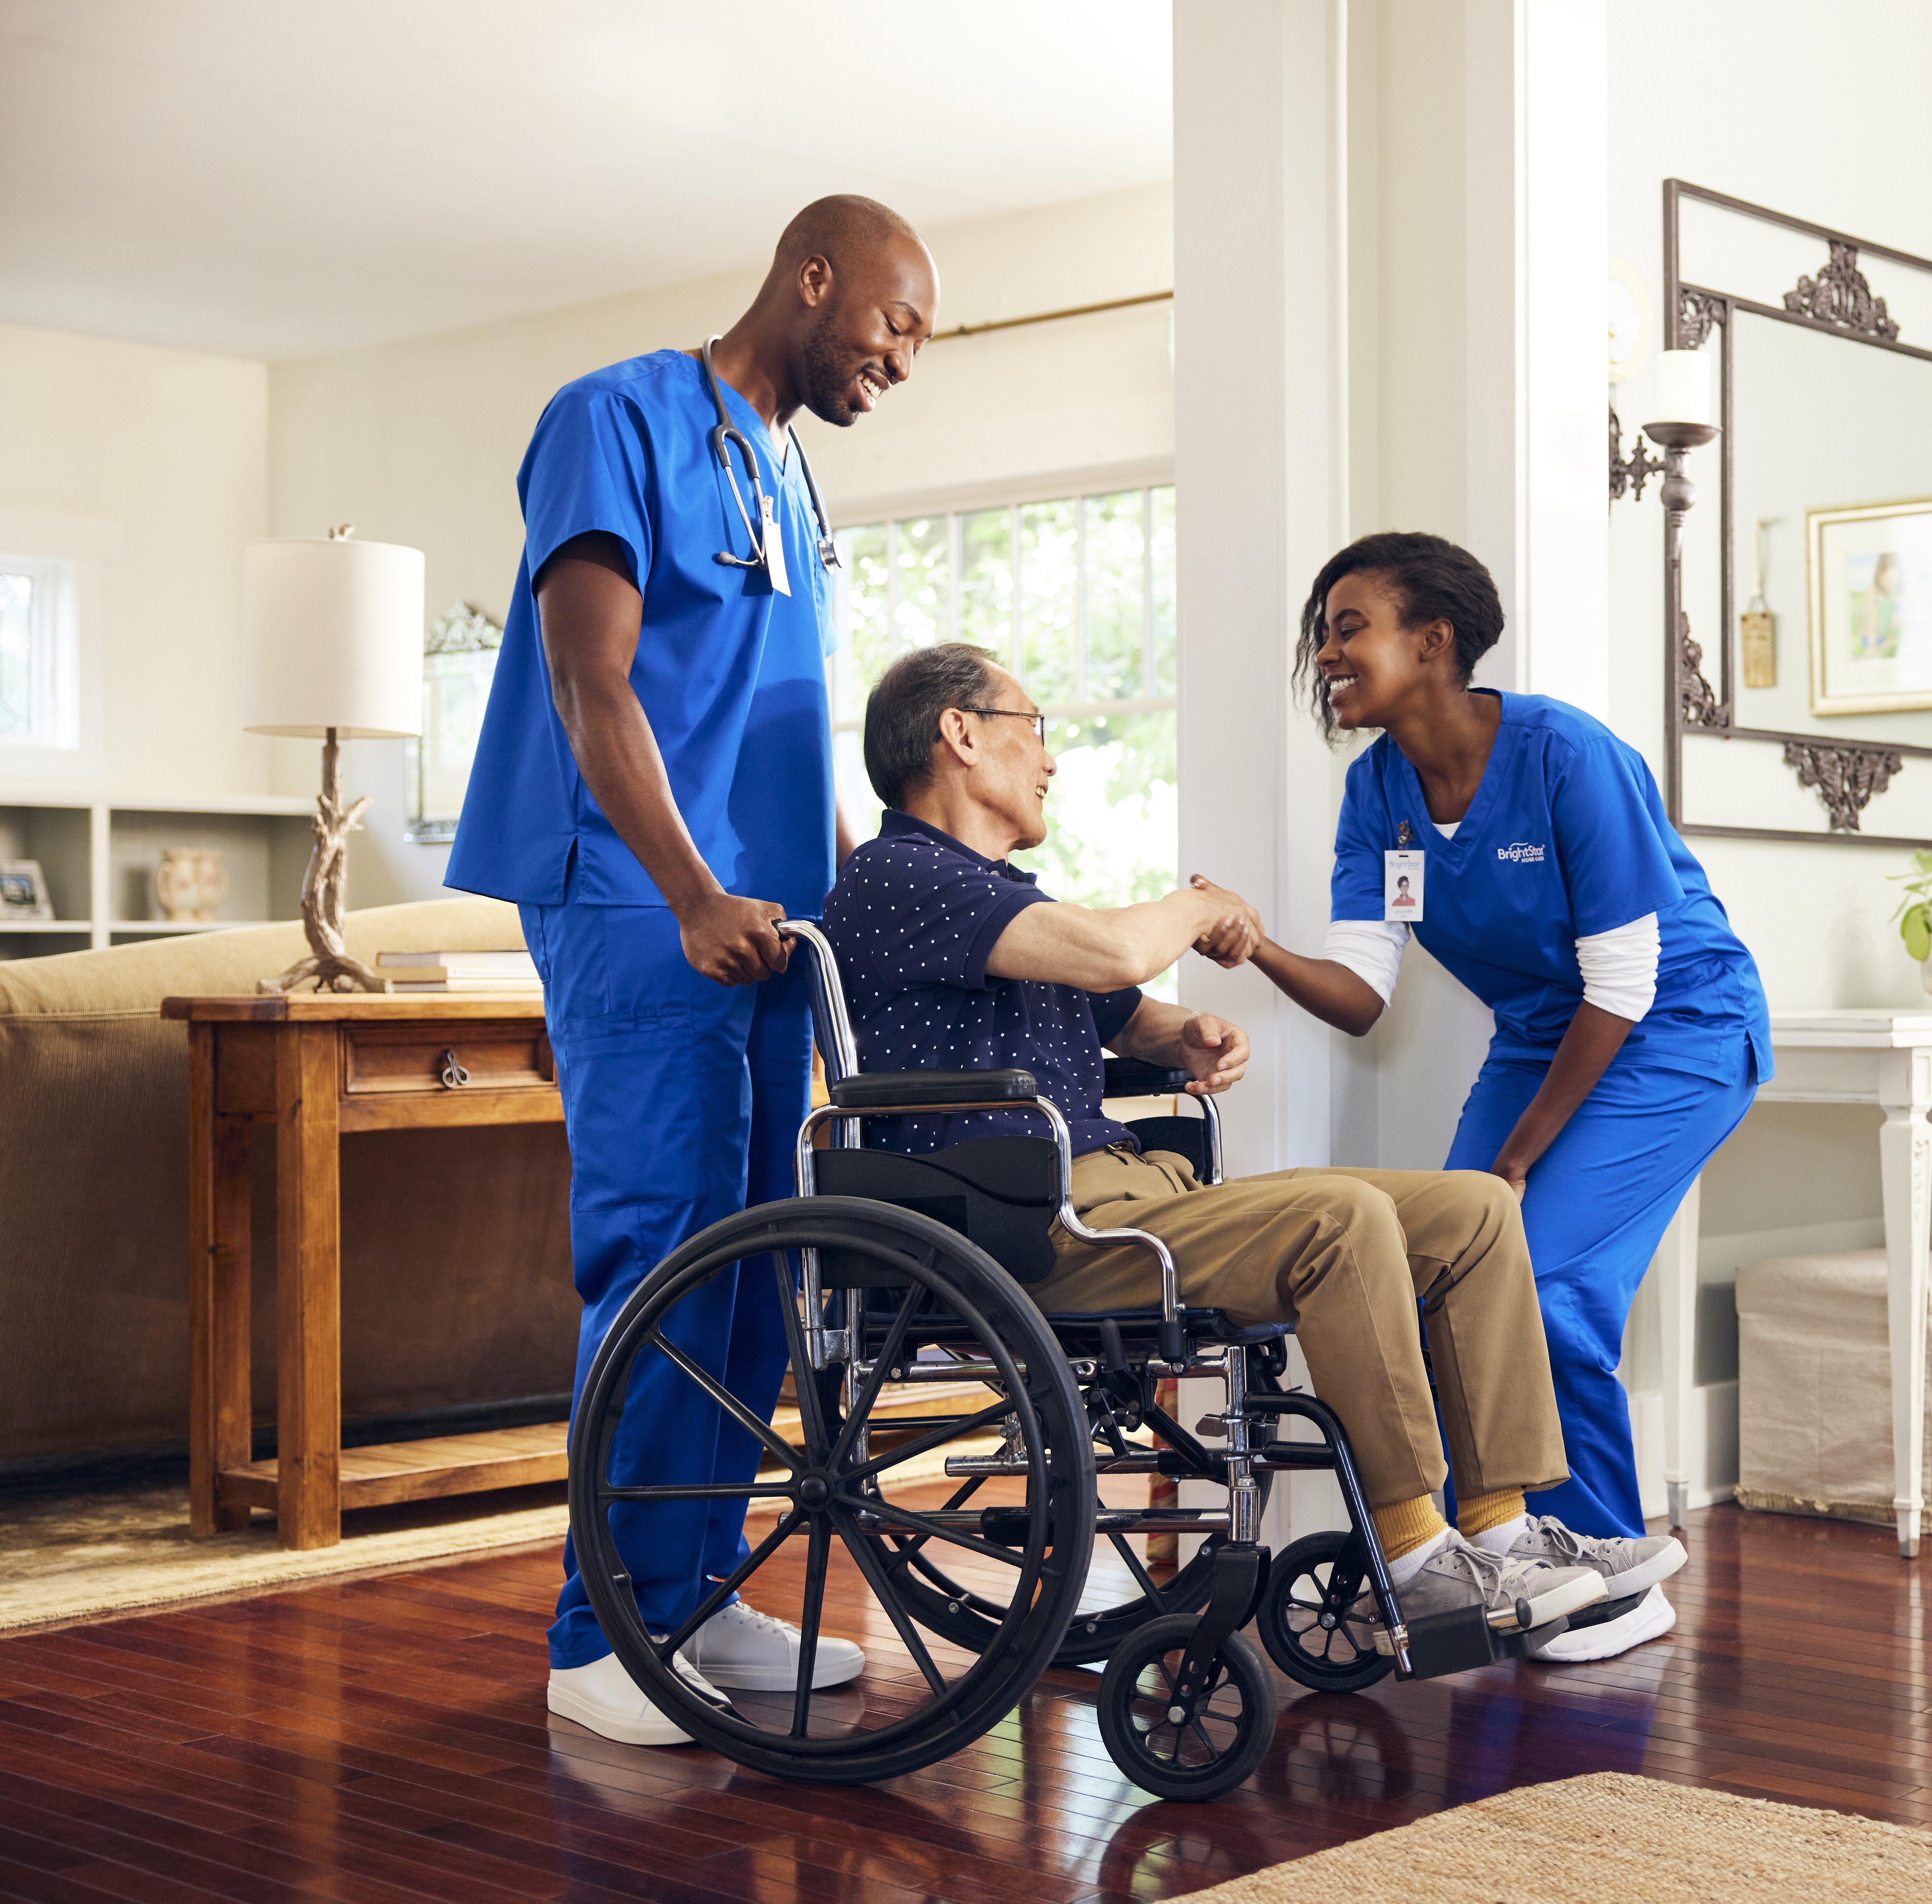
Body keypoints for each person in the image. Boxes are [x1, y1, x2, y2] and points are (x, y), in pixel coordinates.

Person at [818, 642, 1689, 1652]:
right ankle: (1415, 1556)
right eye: (1035, 728)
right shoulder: (896, 877)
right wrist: (1202, 904)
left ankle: (1502, 1532)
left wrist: (1178, 1035)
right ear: (961, 735)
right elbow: (1112, 950)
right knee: (1342, 1218)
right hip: (1030, 1228)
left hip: (1124, 1195)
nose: (1050, 760)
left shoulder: (996, 892)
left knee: (1476, 1210)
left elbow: (1113, 1004)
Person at [447, 196, 938, 1746]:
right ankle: (601, 1636)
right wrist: (686, 886)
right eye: (895, 324)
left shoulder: (790, 472)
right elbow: (591, 682)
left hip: (770, 919)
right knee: (662, 1253)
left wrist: (849, 875)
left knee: (757, 1263)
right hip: (643, 903)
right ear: (812, 280)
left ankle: (694, 1585)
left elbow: (771, 708)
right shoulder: (616, 418)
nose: (902, 362)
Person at [1231, 532, 1771, 1661]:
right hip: (1544, 1034)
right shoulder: (1376, 789)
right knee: (1446, 1271)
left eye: (1348, 628)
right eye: (1322, 634)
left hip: (1675, 1028)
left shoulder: (1568, 756)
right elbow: (1365, 992)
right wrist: (1253, 945)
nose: (1326, 653)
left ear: (1433, 643)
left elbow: (1624, 984)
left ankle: (1616, 1571)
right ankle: (1511, 1553)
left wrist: (1516, 1160)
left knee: (1550, 1279)